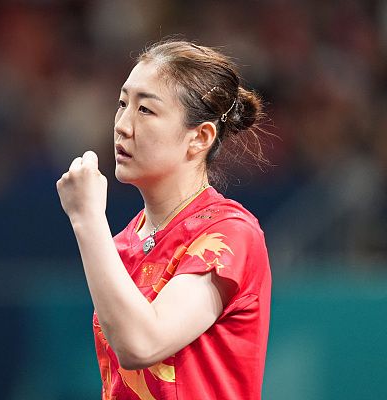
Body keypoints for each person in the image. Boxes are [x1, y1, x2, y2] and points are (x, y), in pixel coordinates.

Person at [56, 39, 272, 400]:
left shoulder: (230, 234)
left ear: (199, 137)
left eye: (145, 110)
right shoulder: (119, 246)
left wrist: (87, 217)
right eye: (122, 103)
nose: (123, 126)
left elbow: (141, 345)